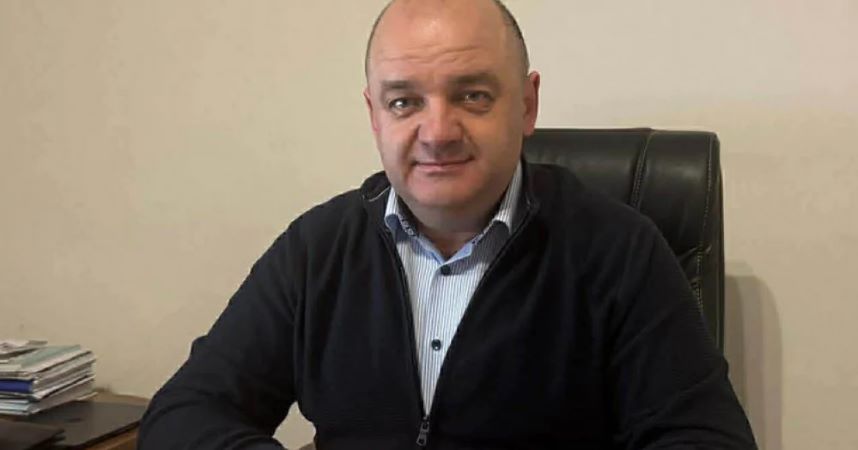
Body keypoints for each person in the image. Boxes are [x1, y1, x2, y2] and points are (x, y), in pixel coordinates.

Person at [139, 0, 757, 448]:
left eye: (472, 96)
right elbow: (185, 413)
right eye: (404, 101)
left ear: (527, 104)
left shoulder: (618, 251)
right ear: (375, 116)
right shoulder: (317, 250)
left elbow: (705, 439)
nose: (437, 132)